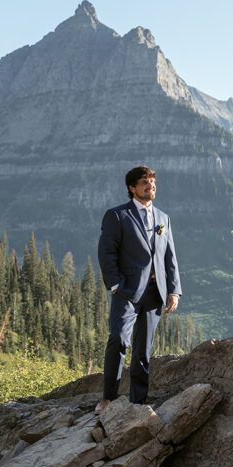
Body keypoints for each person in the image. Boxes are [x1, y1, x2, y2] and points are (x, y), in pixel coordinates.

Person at [96, 166, 181, 413]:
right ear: (132, 188)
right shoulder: (117, 215)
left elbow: (170, 257)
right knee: (118, 339)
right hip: (127, 291)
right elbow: (106, 252)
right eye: (144, 182)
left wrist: (174, 290)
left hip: (156, 293)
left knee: (143, 350)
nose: (150, 186)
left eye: (153, 182)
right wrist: (115, 284)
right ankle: (108, 399)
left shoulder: (163, 218)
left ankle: (138, 403)